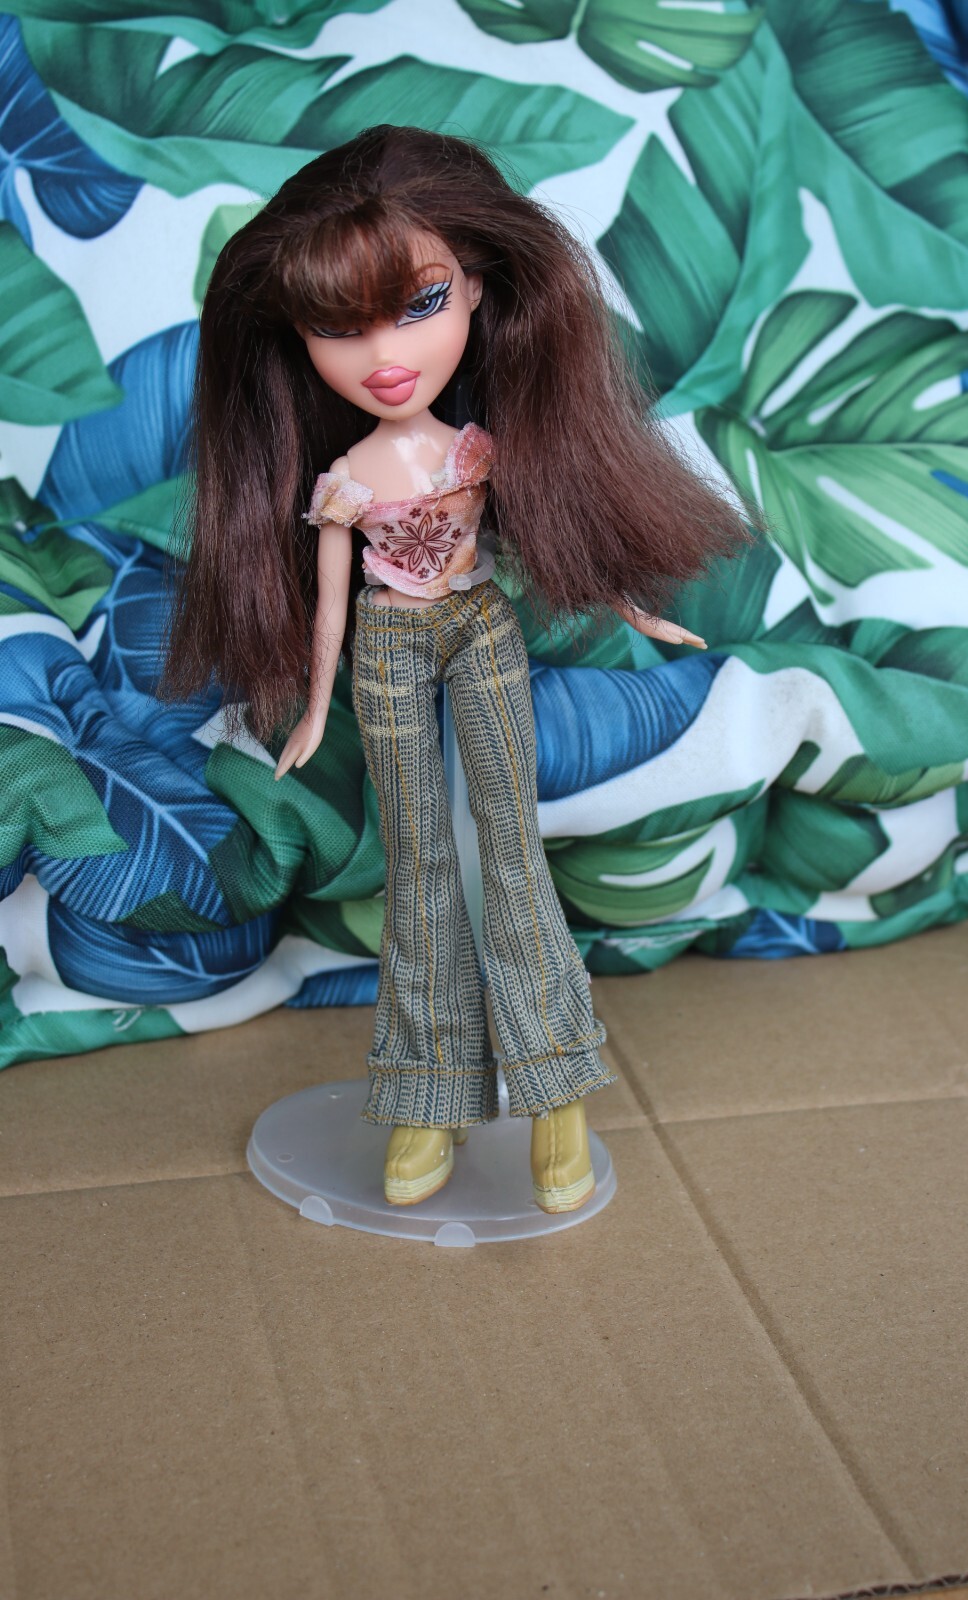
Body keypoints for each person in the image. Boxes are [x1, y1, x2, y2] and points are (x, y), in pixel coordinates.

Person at [166, 125, 752, 1215]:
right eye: (336, 325)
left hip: (481, 628)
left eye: (419, 305)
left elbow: (556, 527)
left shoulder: (479, 450)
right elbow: (333, 602)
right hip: (388, 645)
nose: (381, 353)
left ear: (478, 288)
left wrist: (636, 609)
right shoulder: (346, 479)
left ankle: (556, 1092)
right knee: (417, 862)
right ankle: (429, 1094)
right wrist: (311, 707)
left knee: (514, 849)